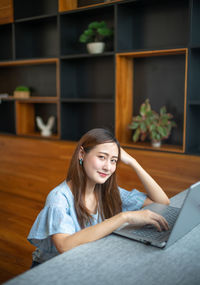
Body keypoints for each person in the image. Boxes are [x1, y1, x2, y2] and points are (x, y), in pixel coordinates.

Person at [28, 128, 170, 267]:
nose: (108, 167)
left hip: (85, 262)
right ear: (82, 154)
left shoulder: (108, 191)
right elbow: (65, 246)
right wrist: (124, 217)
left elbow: (162, 202)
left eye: (113, 160)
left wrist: (134, 163)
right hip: (52, 269)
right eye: (102, 157)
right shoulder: (59, 198)